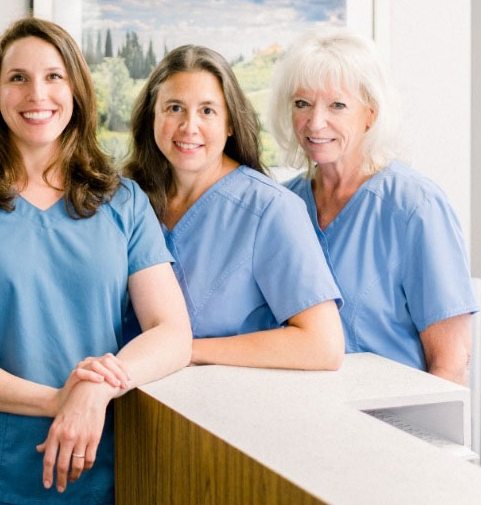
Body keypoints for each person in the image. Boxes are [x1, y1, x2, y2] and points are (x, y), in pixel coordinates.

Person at [0, 17, 193, 504]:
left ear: (76, 91)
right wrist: (61, 400)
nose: (36, 93)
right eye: (17, 78)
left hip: (90, 465)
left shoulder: (122, 202)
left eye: (53, 76)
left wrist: (98, 391)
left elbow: (172, 333)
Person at [267, 28, 477, 384]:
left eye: (337, 105)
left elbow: (451, 363)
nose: (315, 122)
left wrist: (423, 439)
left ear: (370, 114)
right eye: (302, 103)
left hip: (389, 422)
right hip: (300, 416)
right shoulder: (283, 206)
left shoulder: (415, 207)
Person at [123, 44, 344, 369]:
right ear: (151, 116)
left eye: (208, 111)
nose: (189, 126)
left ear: (230, 123)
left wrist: (182, 350)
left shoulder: (272, 209)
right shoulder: (126, 201)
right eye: (174, 108)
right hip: (121, 405)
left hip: (217, 407)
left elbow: (322, 345)